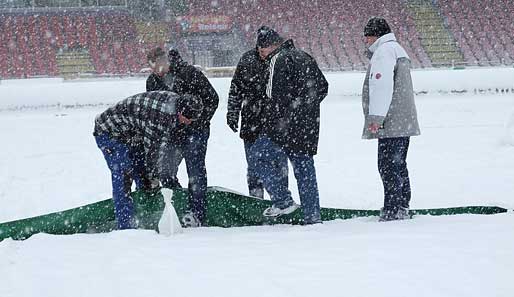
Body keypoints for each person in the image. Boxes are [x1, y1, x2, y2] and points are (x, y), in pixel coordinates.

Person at [251, 26, 329, 224]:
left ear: (271, 46)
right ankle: (312, 216)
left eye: (262, 49)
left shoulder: (277, 60)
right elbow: (323, 87)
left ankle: (283, 201)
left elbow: (272, 97)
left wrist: (282, 118)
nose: (262, 54)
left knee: (258, 155)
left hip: (283, 127)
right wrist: (306, 110)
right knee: (305, 171)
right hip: (307, 126)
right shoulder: (304, 56)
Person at [93, 91, 201, 229]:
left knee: (142, 174)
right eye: (188, 118)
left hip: (132, 132)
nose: (189, 122)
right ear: (180, 112)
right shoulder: (161, 117)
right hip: (109, 132)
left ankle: (143, 213)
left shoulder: (175, 104)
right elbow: (152, 150)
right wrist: (154, 177)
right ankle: (126, 226)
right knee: (123, 175)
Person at [146, 47, 219, 227]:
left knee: (195, 171)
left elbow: (213, 99)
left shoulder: (189, 73)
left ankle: (196, 213)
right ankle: (177, 202)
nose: (153, 70)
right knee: (165, 170)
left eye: (155, 65)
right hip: (171, 133)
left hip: (196, 131)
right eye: (151, 67)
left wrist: (197, 121)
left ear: (165, 61)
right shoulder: (152, 82)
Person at [361, 17, 421, 221]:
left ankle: (393, 208)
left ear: (374, 36)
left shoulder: (383, 52)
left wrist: (376, 118)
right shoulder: (396, 48)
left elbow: (381, 86)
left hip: (392, 120)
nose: (365, 42)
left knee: (387, 165)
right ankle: (402, 204)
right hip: (403, 119)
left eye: (367, 37)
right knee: (398, 163)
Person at [226, 38, 269, 198]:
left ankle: (280, 201)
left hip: (274, 122)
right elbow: (236, 89)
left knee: (276, 164)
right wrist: (232, 113)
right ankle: (256, 198)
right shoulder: (247, 60)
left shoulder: (279, 60)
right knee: (253, 165)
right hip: (251, 120)